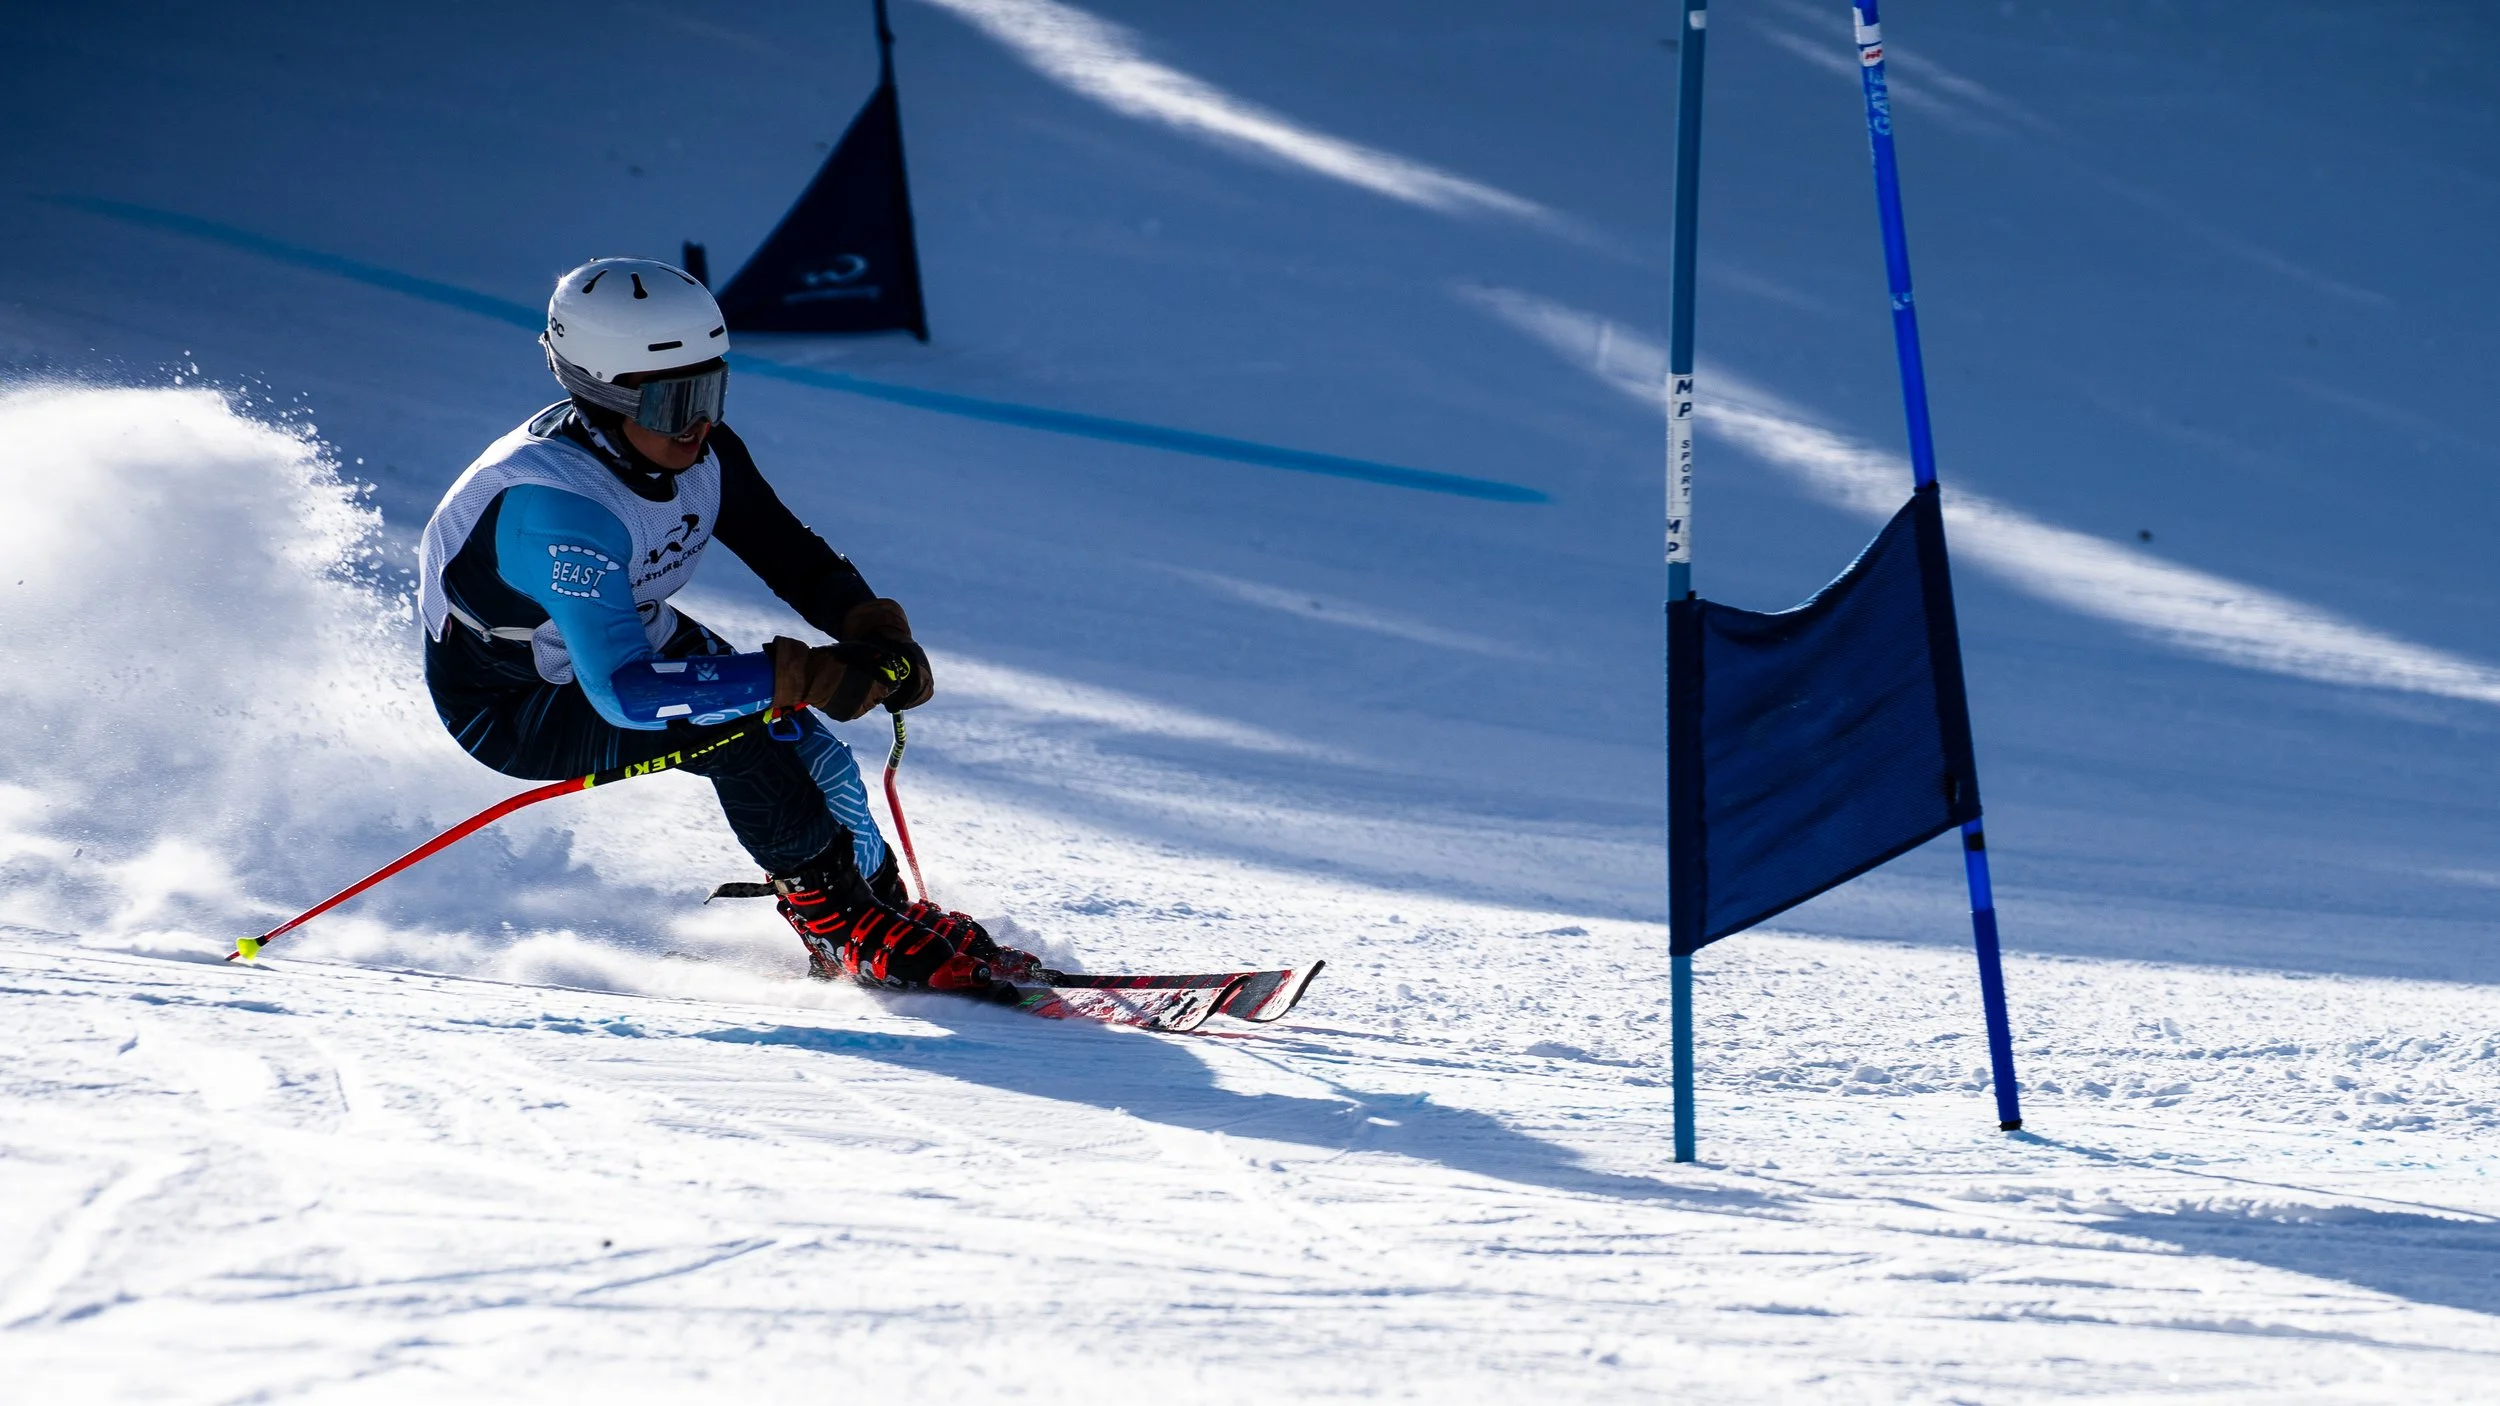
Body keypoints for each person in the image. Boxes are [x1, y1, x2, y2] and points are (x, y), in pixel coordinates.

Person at [416, 256, 1015, 992]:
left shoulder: (697, 450)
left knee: (807, 745)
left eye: (711, 391)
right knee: (736, 730)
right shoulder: (555, 509)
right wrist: (804, 673)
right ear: (604, 397)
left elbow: (789, 553)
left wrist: (871, 627)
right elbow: (628, 697)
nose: (699, 423)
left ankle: (878, 912)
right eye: (674, 403)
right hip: (518, 700)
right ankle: (838, 924)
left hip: (624, 639)